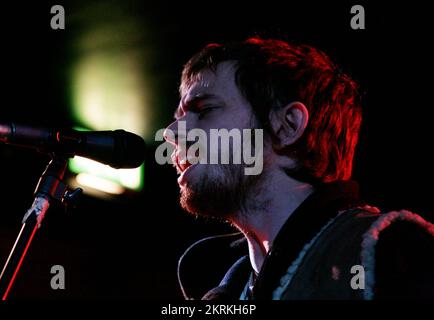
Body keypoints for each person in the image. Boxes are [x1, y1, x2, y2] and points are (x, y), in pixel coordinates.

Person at [164, 37, 434, 300]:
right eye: (179, 118)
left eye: (205, 108)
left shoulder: (395, 251)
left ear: (287, 126)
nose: (172, 132)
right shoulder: (220, 284)